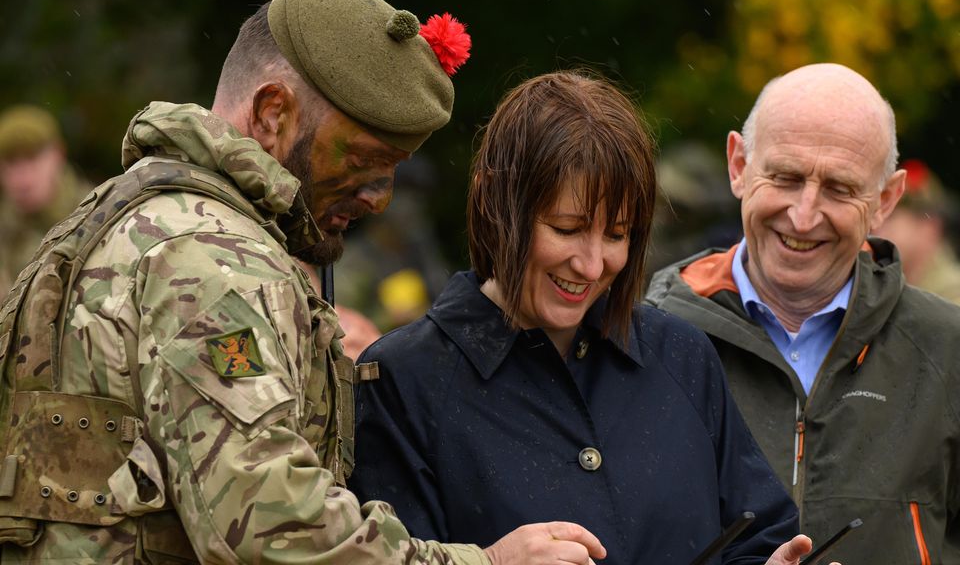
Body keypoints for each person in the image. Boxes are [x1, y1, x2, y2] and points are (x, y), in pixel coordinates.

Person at [0, 0, 605, 565]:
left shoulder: (129, 213)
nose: (379, 198)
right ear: (271, 114)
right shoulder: (213, 263)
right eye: (367, 161)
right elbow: (267, 527)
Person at [351, 71, 827, 565]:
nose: (593, 265)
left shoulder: (681, 355)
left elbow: (756, 538)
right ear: (495, 201)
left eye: (617, 235)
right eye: (567, 228)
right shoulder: (402, 380)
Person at [645, 63, 960, 563]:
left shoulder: (948, 349)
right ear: (738, 166)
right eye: (786, 177)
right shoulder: (644, 337)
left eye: (838, 188)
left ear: (885, 200)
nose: (804, 215)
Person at [0, 104, 92, 299]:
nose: (22, 179)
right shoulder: (5, 229)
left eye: (32, 158)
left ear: (57, 154)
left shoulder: (97, 216)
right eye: (11, 162)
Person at [873, 158, 960, 305]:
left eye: (890, 217)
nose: (875, 227)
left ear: (929, 228)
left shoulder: (952, 297)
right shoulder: (893, 287)